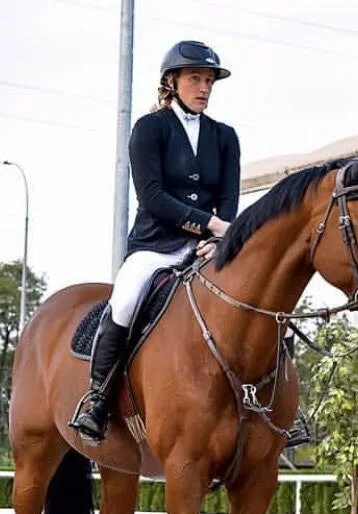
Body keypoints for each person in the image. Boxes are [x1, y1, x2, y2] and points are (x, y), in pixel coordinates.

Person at [70, 40, 239, 442]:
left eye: (209, 80)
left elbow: (229, 200)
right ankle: (97, 399)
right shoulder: (150, 128)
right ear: (172, 81)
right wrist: (212, 226)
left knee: (260, 293)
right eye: (195, 78)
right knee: (126, 298)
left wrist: (220, 241)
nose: (204, 87)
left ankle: (278, 408)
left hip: (211, 247)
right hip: (155, 244)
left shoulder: (225, 137)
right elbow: (152, 196)